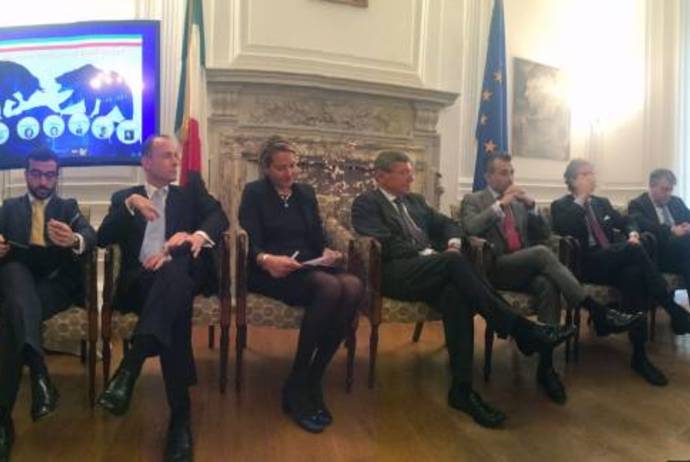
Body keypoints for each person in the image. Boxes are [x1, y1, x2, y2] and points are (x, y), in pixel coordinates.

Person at [351, 150, 574, 429]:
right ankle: (520, 329)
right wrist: (431, 254)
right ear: (381, 176)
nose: (411, 178)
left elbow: (449, 224)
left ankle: (462, 390)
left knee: (455, 296)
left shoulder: (416, 201)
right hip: (395, 274)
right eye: (403, 173)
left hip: (430, 270)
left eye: (411, 172)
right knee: (453, 262)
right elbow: (386, 244)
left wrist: (453, 242)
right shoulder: (366, 203)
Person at [460, 152, 641, 404]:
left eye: (511, 172)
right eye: (503, 173)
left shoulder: (519, 203)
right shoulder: (474, 199)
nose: (509, 177)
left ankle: (546, 368)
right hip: (495, 268)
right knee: (542, 254)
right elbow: (469, 228)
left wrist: (532, 207)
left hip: (524, 267)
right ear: (488, 176)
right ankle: (595, 309)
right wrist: (499, 205)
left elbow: (546, 233)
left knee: (548, 284)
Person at [96, 134, 228, 462]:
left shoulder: (189, 193)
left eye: (177, 155)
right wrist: (130, 205)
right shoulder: (125, 198)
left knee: (174, 274)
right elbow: (102, 238)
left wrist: (195, 235)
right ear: (147, 162)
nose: (176, 161)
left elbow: (219, 217)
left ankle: (130, 367)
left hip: (178, 272)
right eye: (167, 155)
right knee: (175, 307)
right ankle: (180, 422)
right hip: (140, 282)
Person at [238, 136, 363, 434]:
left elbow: (316, 238)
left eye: (294, 166)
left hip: (306, 266)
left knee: (353, 285)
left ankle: (313, 378)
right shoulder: (254, 193)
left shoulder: (305, 193)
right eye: (282, 168)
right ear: (266, 169)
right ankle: (296, 382)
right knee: (330, 288)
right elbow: (250, 240)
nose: (290, 173)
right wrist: (266, 259)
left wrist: (327, 254)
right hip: (270, 271)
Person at [551, 159, 690, 387]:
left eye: (592, 173)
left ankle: (639, 355)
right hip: (586, 265)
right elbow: (565, 227)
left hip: (611, 259)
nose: (592, 177)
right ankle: (669, 305)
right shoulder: (561, 206)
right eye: (586, 174)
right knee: (632, 250)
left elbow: (628, 220)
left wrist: (633, 233)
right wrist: (581, 199)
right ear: (573, 180)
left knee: (633, 274)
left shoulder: (602, 203)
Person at [0, 148, 96, 462]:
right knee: (14, 274)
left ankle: (3, 421)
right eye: (37, 174)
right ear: (26, 174)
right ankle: (40, 376)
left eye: (49, 175)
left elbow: (90, 235)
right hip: (18, 281)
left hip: (55, 287)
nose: (43, 181)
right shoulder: (9, 208)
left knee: (12, 316)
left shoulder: (68, 207)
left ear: (56, 176)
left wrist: (74, 240)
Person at [628, 169, 690, 285]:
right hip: (660, 253)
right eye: (665, 189)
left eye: (670, 189)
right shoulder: (637, 204)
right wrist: (672, 230)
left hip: (682, 251)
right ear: (652, 186)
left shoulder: (676, 202)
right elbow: (645, 226)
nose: (669, 194)